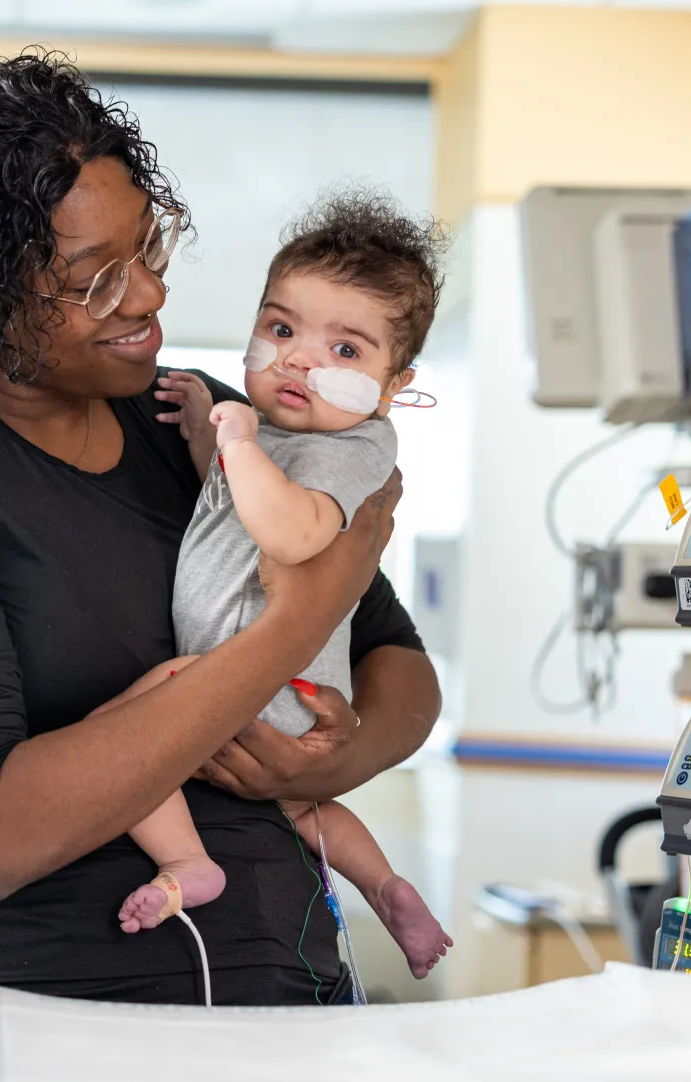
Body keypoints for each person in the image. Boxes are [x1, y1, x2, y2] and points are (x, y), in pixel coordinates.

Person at [0, 52, 441, 1005]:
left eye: (150, 249)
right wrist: (292, 630)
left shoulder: (205, 421)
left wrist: (333, 758)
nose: (149, 297)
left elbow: (401, 666)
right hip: (20, 1017)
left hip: (284, 995)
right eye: (96, 281)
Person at [109, 192, 454, 982]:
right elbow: (228, 508)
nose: (299, 359)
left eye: (346, 350)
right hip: (282, 688)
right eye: (282, 329)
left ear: (394, 385)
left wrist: (235, 436)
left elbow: (292, 531)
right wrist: (210, 433)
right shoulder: (290, 436)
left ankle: (189, 864)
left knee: (125, 741)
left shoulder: (353, 450)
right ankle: (385, 886)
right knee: (303, 808)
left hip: (252, 675)